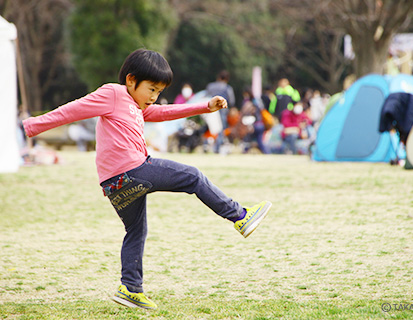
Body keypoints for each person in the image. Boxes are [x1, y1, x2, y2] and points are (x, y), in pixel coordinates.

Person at [22, 49, 272, 310]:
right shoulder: (114, 94)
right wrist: (29, 127)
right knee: (193, 177)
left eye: (159, 91)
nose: (154, 97)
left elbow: (164, 113)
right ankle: (240, 216)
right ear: (131, 80)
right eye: (151, 89)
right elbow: (72, 110)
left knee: (136, 230)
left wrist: (205, 107)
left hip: (114, 185)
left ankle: (130, 288)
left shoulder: (136, 105)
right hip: (132, 171)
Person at [206, 70, 236, 153]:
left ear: (218, 77)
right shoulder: (227, 88)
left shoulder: (210, 86)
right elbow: (232, 100)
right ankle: (217, 148)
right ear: (226, 79)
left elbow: (206, 96)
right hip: (222, 110)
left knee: (208, 128)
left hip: (210, 110)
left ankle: (205, 144)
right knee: (220, 129)